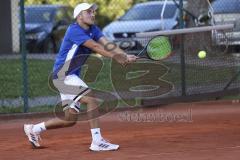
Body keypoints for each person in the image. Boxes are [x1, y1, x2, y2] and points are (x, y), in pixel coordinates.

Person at [23, 3, 137, 151]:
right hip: (63, 76)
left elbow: (107, 44)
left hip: (69, 76)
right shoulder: (74, 30)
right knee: (91, 99)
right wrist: (117, 58)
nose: (92, 14)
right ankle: (97, 141)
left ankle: (34, 129)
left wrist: (124, 55)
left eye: (93, 12)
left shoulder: (93, 29)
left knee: (69, 119)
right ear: (79, 16)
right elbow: (95, 47)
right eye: (88, 12)